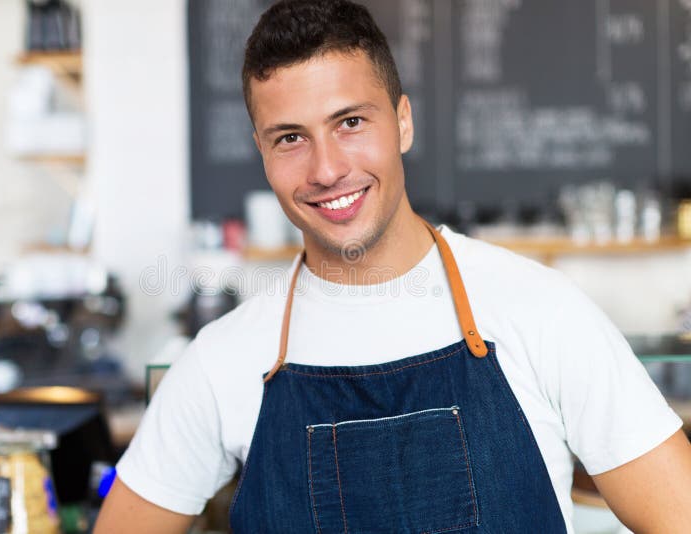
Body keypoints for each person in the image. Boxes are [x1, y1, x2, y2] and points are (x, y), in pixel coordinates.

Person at [95, 1, 691, 532]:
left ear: (402, 122)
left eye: (350, 122)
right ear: (262, 151)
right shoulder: (221, 362)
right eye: (290, 138)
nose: (326, 169)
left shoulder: (541, 312)